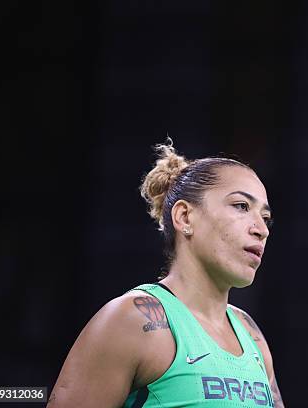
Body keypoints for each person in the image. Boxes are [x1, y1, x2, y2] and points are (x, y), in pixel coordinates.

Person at [48, 141, 284, 407]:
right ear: (184, 217)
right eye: (241, 206)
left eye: (266, 218)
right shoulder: (132, 320)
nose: (261, 229)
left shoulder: (251, 335)